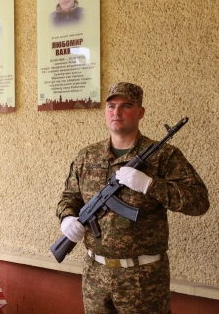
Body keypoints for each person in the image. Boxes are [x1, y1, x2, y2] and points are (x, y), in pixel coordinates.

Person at [56, 82, 209, 313]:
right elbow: (69, 197)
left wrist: (151, 184)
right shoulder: (87, 156)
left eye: (126, 106)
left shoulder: (163, 155)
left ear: (141, 112)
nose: (116, 112)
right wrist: (67, 218)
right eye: (111, 106)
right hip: (95, 277)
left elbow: (199, 202)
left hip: (143, 281)